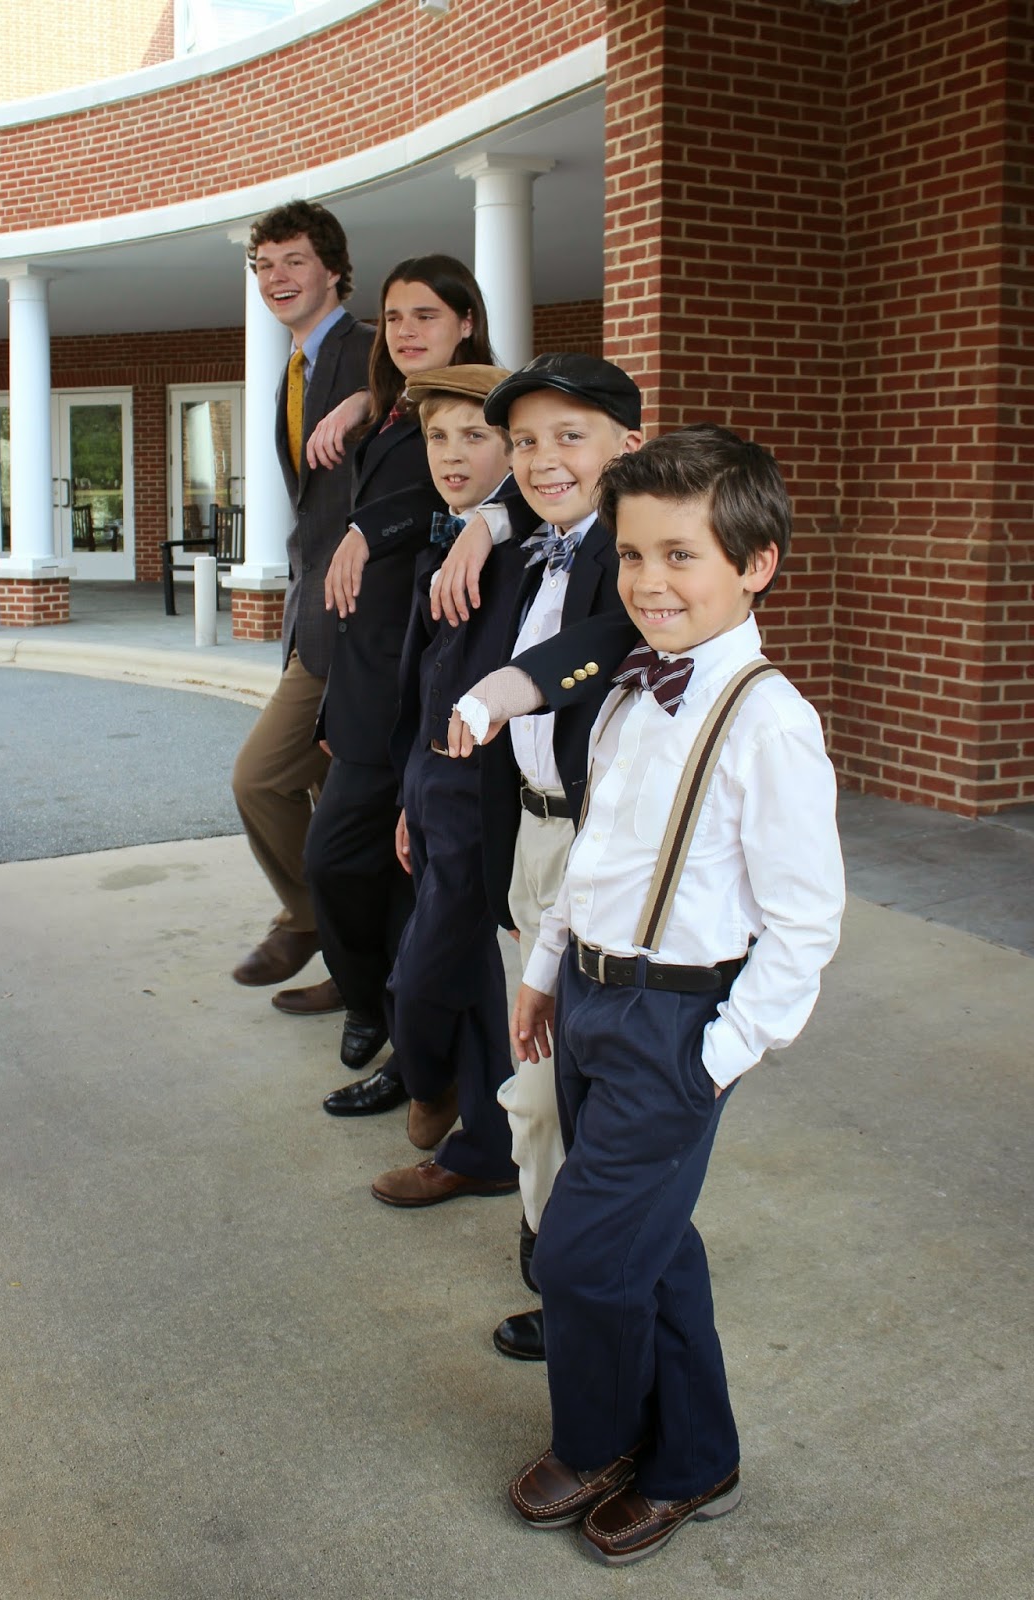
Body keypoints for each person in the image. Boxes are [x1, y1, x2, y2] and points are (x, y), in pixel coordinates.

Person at [503, 426, 846, 1566]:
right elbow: (597, 853)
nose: (649, 582)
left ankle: (599, 1440)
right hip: (592, 1000)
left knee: (578, 1257)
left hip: (678, 1024)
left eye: (681, 555)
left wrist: (721, 1052)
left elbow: (804, 922)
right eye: (635, 556)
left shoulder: (769, 721)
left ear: (756, 564)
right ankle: (696, 1455)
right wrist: (546, 973)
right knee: (653, 1243)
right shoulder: (626, 694)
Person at [447, 353, 642, 1360]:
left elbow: (613, 634)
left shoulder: (639, 554)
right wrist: (485, 521)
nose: (541, 458)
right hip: (528, 832)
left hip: (595, 846)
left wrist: (509, 687)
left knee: (559, 1081)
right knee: (537, 1073)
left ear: (628, 445)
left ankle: (572, 1272)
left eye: (570, 435)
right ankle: (551, 1246)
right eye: (523, 442)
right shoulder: (534, 549)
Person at [303, 258, 525, 1099]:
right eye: (393, 315)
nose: (404, 330)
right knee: (380, 884)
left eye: (425, 314)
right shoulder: (396, 410)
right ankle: (396, 1028)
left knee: (425, 911)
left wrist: (479, 522)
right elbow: (431, 499)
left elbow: (534, 485)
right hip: (387, 690)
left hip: (464, 726)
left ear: (467, 321)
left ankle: (421, 1062)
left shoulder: (503, 413)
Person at [368, 364, 526, 1207]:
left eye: (476, 436)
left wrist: (497, 520)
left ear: (513, 449)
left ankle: (431, 1084)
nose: (452, 454)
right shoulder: (444, 539)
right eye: (437, 436)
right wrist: (408, 795)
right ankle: (488, 1150)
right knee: (468, 979)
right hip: (430, 783)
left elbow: (572, 502)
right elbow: (424, 682)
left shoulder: (525, 543)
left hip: (483, 795)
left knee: (423, 978)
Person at [229, 200, 372, 1011]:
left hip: (359, 622)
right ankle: (354, 975)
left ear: (333, 269)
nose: (276, 278)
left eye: (294, 261)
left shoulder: (368, 352)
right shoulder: (296, 365)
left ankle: (308, 917)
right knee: (330, 806)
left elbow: (455, 387)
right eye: (264, 265)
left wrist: (367, 400)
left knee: (260, 779)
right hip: (310, 615)